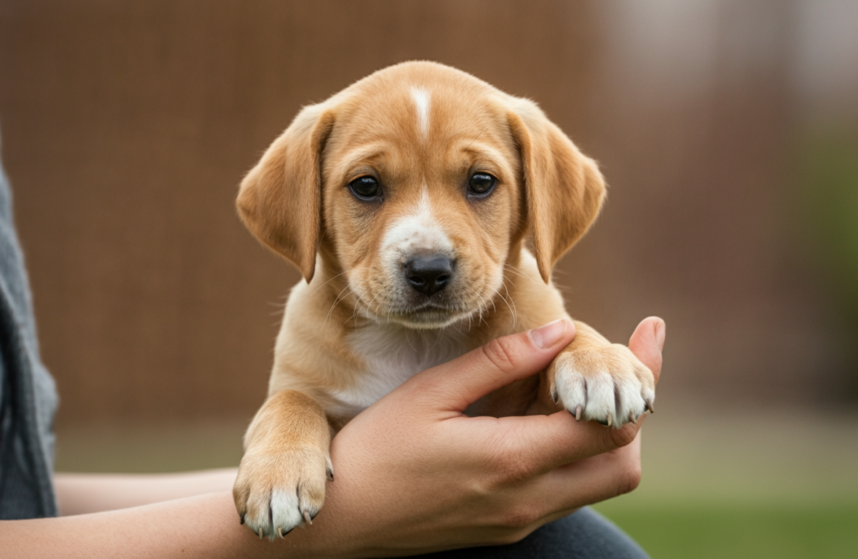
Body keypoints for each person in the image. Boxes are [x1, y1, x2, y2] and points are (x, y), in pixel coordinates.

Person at [0, 135, 664, 558]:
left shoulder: (525, 306)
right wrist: (296, 431)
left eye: (479, 183)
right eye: (368, 188)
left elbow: (22, 491)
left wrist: (587, 352)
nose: (428, 247)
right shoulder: (315, 330)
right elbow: (298, 406)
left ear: (539, 204)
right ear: (304, 208)